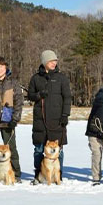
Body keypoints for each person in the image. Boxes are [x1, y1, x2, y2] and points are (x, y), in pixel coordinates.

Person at [28, 50, 72, 184]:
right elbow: (30, 95)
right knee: (38, 149)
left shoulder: (61, 78)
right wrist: (39, 95)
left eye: (55, 61)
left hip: (57, 120)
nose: (54, 63)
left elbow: (67, 97)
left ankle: (58, 175)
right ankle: (38, 175)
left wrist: (65, 115)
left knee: (58, 150)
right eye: (51, 61)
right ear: (44, 62)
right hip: (40, 120)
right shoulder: (36, 78)